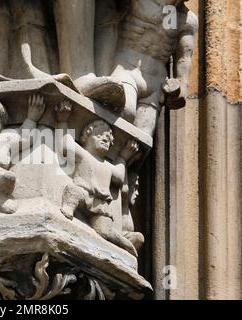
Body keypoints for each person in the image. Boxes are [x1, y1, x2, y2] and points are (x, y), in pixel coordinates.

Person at [86, 0, 198, 136]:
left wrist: (181, 88)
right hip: (127, 70)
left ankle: (120, 157)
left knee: (142, 138)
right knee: (125, 112)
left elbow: (184, 57)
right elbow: (107, 18)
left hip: (156, 85)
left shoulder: (187, 20)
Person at [55, 101, 139, 256]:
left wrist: (123, 157)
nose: (105, 139)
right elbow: (65, 144)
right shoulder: (83, 154)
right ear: (86, 136)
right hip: (82, 193)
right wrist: (63, 120)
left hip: (100, 205)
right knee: (72, 191)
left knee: (104, 231)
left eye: (109, 139)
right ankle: (68, 209)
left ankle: (124, 244)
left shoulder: (108, 165)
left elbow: (119, 177)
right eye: (100, 134)